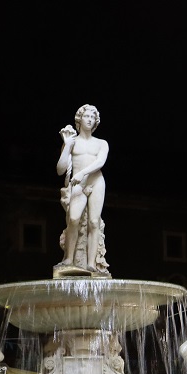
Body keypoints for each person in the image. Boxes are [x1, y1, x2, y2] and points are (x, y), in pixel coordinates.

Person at [57, 104, 109, 274]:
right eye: (86, 116)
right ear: (79, 119)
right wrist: (66, 146)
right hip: (78, 184)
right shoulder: (72, 142)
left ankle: (92, 263)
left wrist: (83, 173)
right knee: (73, 219)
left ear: (96, 122)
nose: (90, 119)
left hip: (95, 182)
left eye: (93, 117)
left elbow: (100, 163)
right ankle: (69, 258)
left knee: (94, 222)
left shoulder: (102, 143)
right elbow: (60, 169)